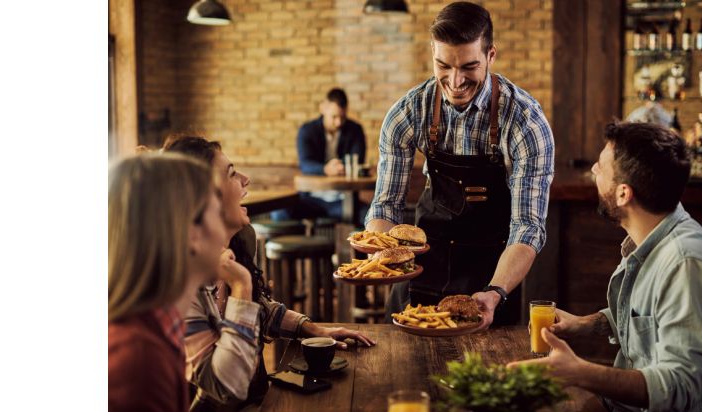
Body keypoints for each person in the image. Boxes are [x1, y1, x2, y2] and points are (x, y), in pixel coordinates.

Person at [508, 122, 702, 412]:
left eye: (600, 167)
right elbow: (649, 317)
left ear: (623, 193)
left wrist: (580, 372)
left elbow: (679, 386)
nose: (594, 171)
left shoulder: (687, 264)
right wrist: (583, 324)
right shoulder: (650, 238)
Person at [367, 2, 555, 327]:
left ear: (491, 56)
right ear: (432, 53)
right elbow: (386, 206)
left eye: (469, 66)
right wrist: (384, 258)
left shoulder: (526, 121)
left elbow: (528, 226)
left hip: (492, 276)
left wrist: (495, 291)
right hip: (423, 269)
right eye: (444, 66)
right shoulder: (409, 113)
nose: (455, 81)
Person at [163, 135, 376, 411]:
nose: (245, 178)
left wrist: (312, 329)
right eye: (231, 173)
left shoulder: (238, 243)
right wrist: (241, 286)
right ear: (203, 196)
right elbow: (224, 390)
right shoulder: (179, 284)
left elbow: (259, 310)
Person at [109, 153, 229, 412]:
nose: (225, 227)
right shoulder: (138, 361)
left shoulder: (156, 328)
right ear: (192, 233)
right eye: (218, 213)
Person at [272, 88, 369, 222]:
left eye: (342, 117)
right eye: (334, 117)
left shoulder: (355, 130)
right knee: (279, 213)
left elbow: (357, 162)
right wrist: (326, 169)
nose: (339, 123)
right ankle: (302, 242)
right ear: (323, 108)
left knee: (371, 217)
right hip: (311, 199)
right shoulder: (307, 130)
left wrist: (341, 167)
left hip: (344, 200)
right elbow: (305, 164)